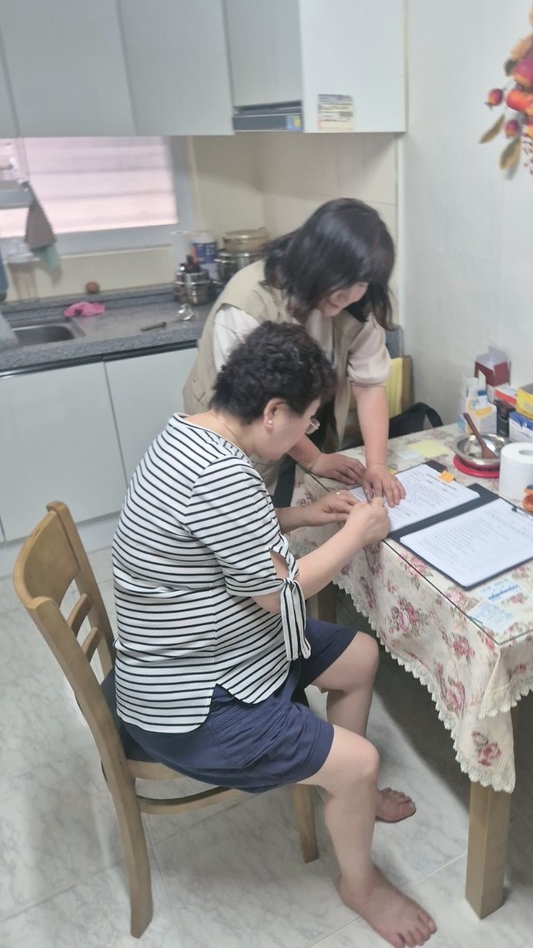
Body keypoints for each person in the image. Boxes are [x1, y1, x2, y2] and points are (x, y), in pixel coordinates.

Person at [113, 321, 435, 948]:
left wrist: (304, 514)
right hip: (192, 702)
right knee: (362, 760)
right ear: (272, 412)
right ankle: (360, 882)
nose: (305, 435)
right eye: (307, 422)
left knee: (360, 656)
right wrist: (354, 534)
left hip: (209, 647)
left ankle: (346, 792)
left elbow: (226, 537)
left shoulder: (188, 434)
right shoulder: (221, 477)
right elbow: (285, 593)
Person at [183, 198, 405, 506]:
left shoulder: (357, 303)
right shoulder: (249, 303)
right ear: (313, 259)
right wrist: (314, 459)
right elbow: (255, 409)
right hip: (243, 431)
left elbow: (369, 386)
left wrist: (377, 465)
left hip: (292, 428)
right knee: (243, 511)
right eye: (342, 281)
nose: (350, 294)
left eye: (363, 282)